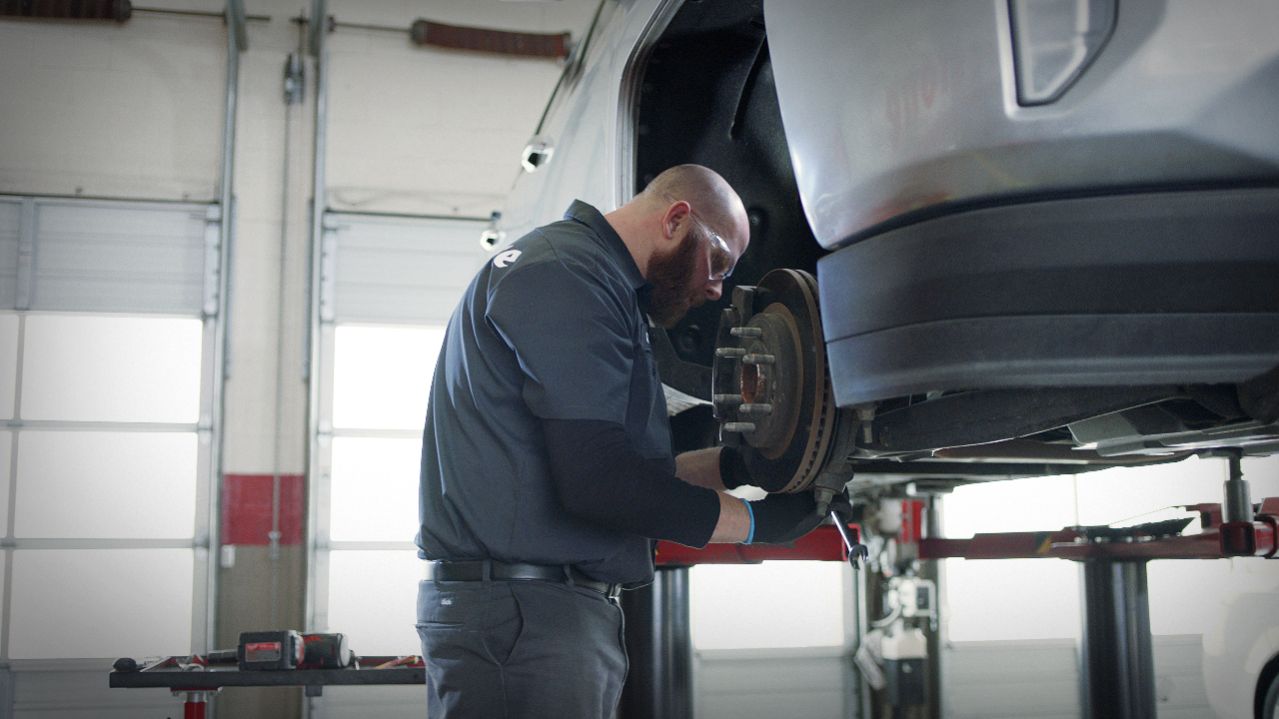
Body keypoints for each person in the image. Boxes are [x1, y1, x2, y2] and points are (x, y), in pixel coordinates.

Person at [415, 164, 828, 718]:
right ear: (677, 218)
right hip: (524, 620)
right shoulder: (567, 278)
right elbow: (602, 485)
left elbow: (630, 472)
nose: (716, 287)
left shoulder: (591, 280)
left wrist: (740, 466)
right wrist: (759, 525)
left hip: (532, 612)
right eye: (719, 261)